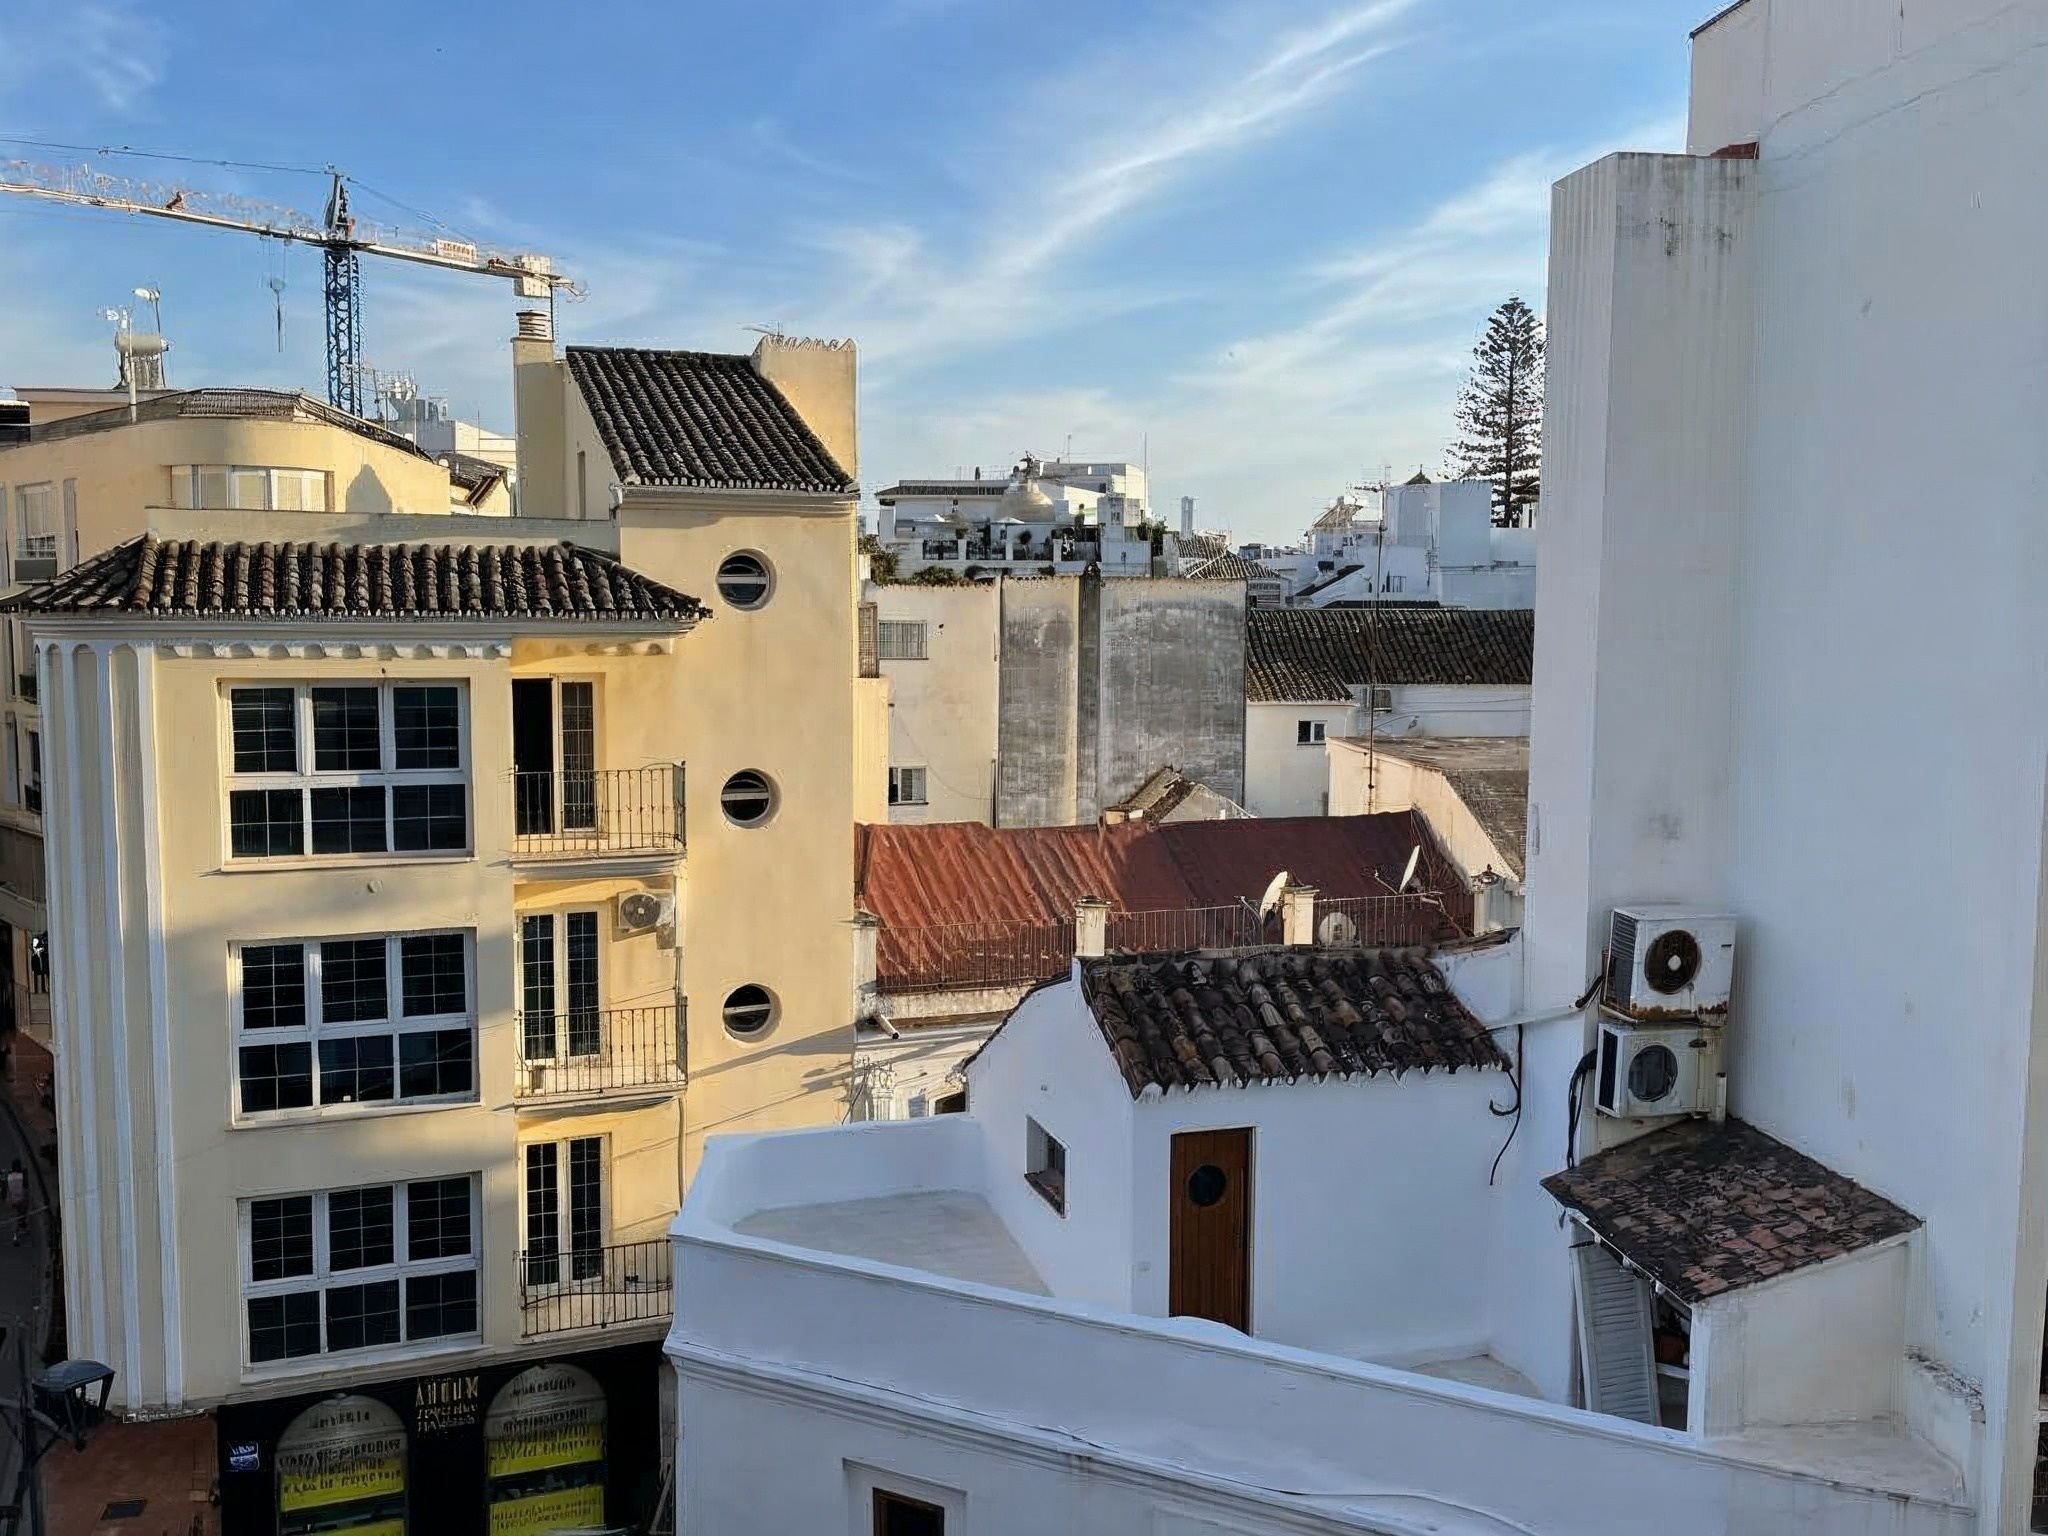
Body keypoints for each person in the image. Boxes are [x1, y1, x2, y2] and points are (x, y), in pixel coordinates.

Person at [7, 1160, 25, 1247]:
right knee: (21, 1215)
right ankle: (22, 1228)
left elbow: (8, 1189)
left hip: (12, 1199)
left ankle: (15, 1235)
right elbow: (25, 1187)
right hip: (21, 1199)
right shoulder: (22, 1176)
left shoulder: (9, 1177)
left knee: (14, 1217)